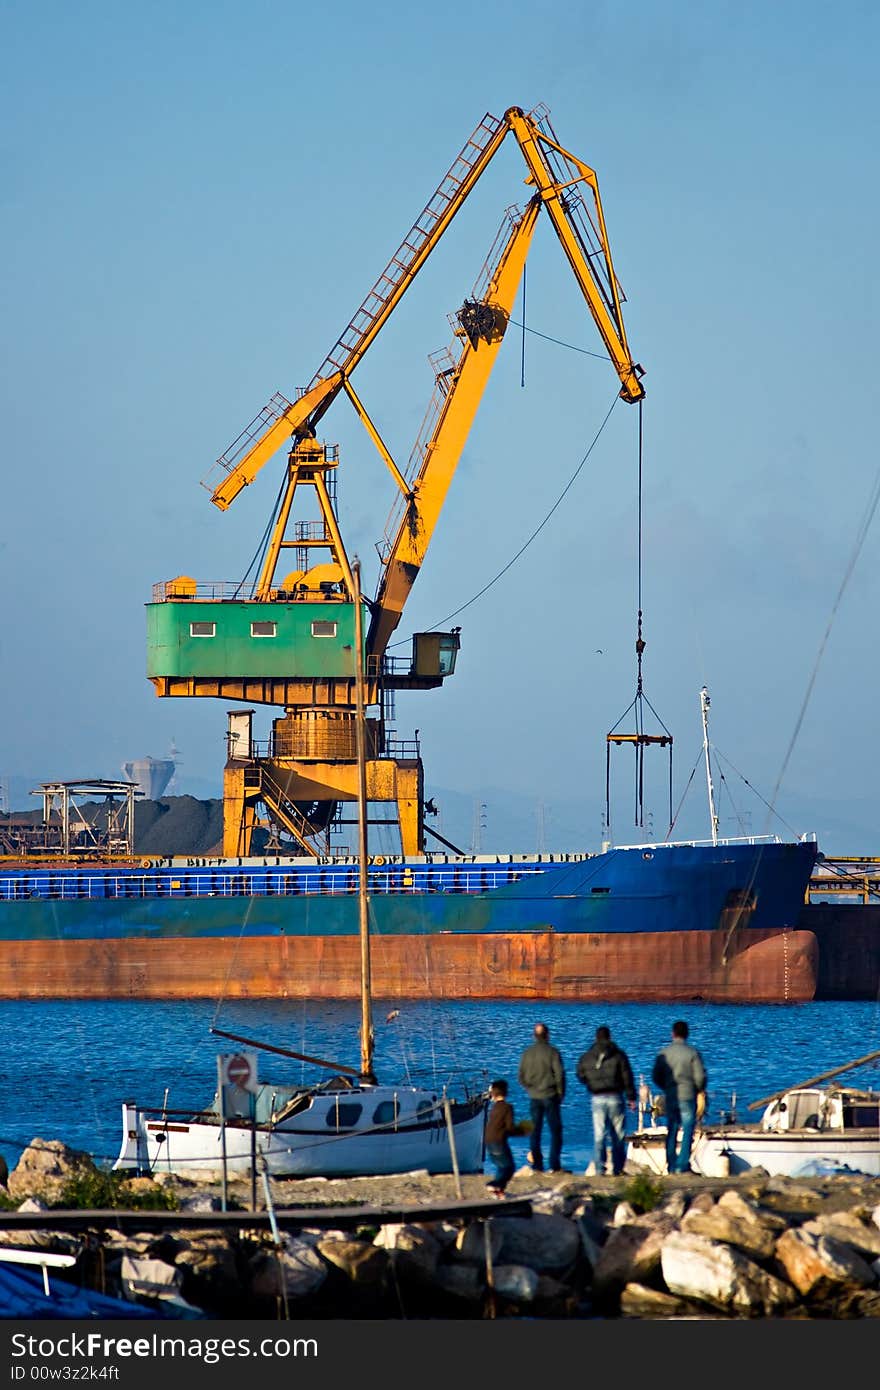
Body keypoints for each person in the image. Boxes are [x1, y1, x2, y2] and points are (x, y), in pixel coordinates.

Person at [576, 1024, 637, 1176]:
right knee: (618, 1134)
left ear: (596, 1038)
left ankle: (599, 1169)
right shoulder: (618, 1055)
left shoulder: (588, 1055)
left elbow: (580, 1073)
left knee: (599, 1135)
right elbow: (627, 1076)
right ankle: (618, 1169)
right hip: (616, 1097)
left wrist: (590, 1084)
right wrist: (631, 1097)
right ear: (609, 1037)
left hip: (597, 1097)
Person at [652, 1019, 707, 1174]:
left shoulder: (664, 1053)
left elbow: (656, 1075)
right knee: (688, 1129)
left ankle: (671, 1164)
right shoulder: (692, 1053)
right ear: (687, 1034)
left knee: (672, 1129)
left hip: (671, 1096)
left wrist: (666, 1088)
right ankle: (682, 1165)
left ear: (673, 1033)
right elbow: (700, 1077)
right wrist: (698, 1089)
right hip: (688, 1096)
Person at [517, 1022, 567, 1172]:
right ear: (548, 1035)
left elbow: (521, 1076)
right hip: (551, 1095)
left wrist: (530, 1089)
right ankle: (554, 1164)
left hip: (534, 1097)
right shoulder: (553, 1052)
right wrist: (560, 1093)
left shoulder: (527, 1053)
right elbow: (560, 1075)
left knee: (535, 1131)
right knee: (555, 1130)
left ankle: (537, 1165)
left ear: (534, 1035)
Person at [484, 1078, 516, 1196]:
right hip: (499, 1140)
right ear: (506, 1092)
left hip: (488, 1140)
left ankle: (499, 1191)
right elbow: (509, 1127)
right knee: (509, 1167)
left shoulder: (495, 1107)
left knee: (500, 1166)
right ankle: (495, 1185)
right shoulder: (507, 1107)